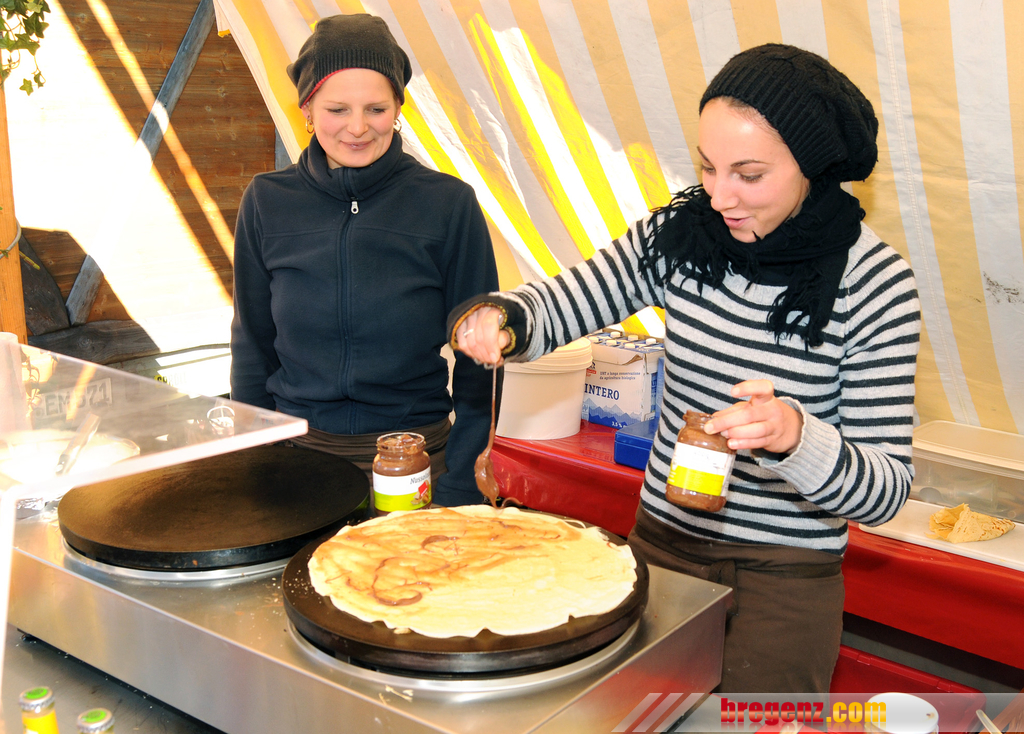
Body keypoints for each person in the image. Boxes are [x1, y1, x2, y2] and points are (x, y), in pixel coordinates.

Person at [448, 44, 921, 692]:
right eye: (708, 166)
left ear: (812, 166)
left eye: (749, 174)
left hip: (786, 580)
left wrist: (795, 437)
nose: (720, 196)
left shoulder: (876, 285)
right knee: (642, 717)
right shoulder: (682, 235)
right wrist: (502, 317)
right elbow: (568, 299)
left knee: (750, 727)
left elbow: (886, 491)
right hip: (664, 543)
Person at [230, 13, 499, 507]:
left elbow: (480, 364)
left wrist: (462, 482)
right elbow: (252, 345)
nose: (357, 128)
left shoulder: (448, 205)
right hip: (298, 461)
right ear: (307, 108)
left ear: (398, 108)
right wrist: (254, 464)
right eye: (337, 109)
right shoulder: (267, 201)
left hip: (416, 460)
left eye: (376, 108)